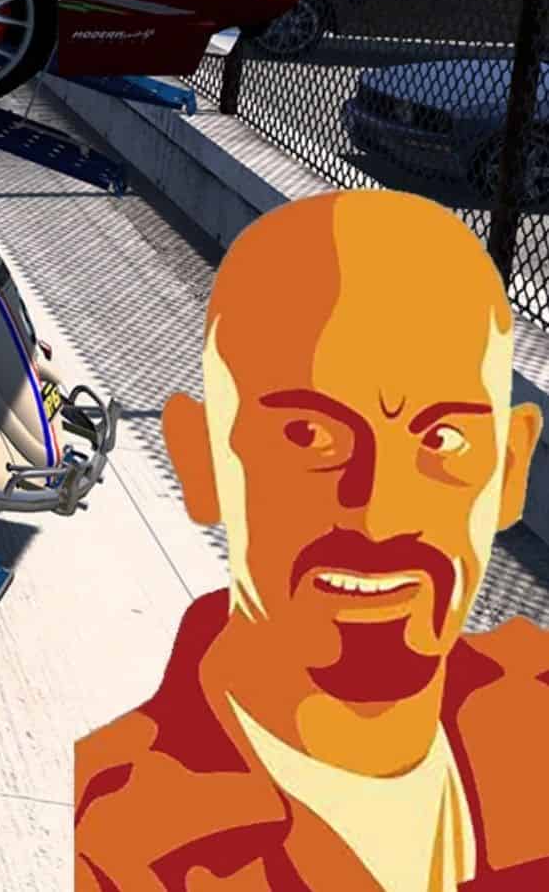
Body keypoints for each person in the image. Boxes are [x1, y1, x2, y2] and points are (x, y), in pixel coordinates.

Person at [76, 190, 548, 891]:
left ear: (509, 472)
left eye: (443, 438)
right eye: (309, 434)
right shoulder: (111, 850)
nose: (381, 516)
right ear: (201, 462)